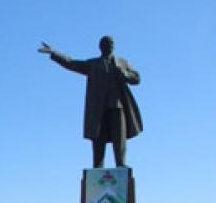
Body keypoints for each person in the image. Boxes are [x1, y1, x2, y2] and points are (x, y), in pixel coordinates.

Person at [39, 36, 143, 168]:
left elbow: (137, 78)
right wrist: (53, 53)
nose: (109, 45)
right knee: (98, 137)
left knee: (119, 138)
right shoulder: (93, 64)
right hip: (98, 108)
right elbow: (71, 63)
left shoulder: (122, 62)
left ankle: (121, 164)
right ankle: (98, 167)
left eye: (111, 43)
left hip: (117, 106)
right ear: (100, 47)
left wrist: (125, 73)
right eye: (106, 43)